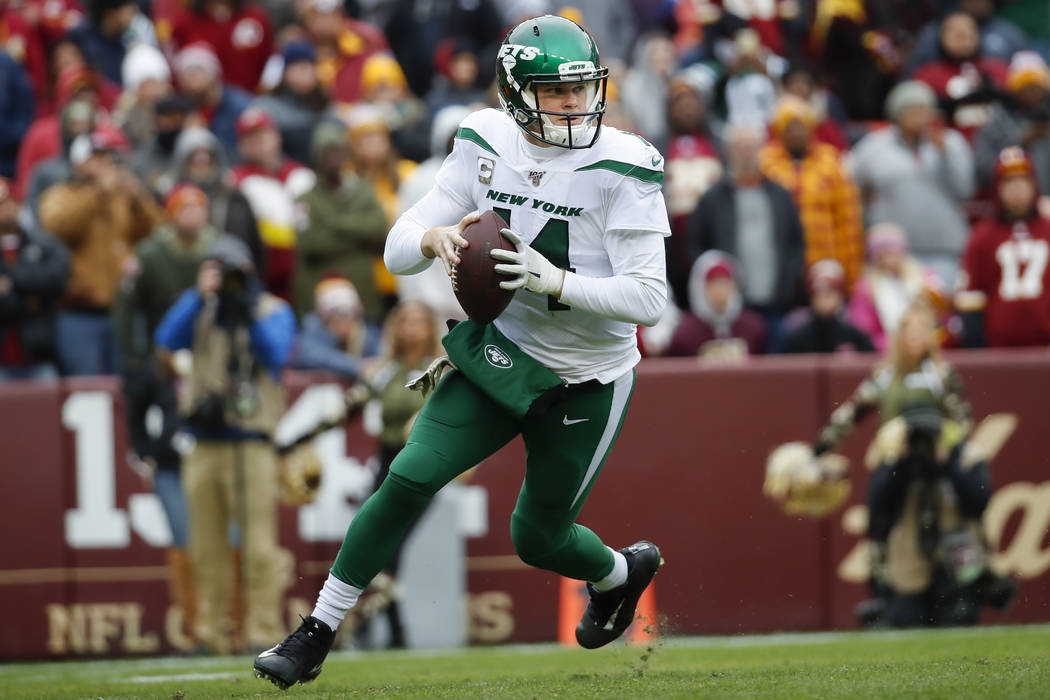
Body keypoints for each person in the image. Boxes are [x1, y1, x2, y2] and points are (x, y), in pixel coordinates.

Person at [254, 15, 666, 688]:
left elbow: (649, 300)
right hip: (503, 350)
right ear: (512, 92)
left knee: (536, 538)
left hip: (588, 375)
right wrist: (435, 238)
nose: (574, 105)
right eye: (553, 92)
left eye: (582, 89)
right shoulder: (484, 138)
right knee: (409, 476)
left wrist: (552, 279)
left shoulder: (625, 163)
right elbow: (398, 242)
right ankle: (317, 632)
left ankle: (621, 573)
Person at [812, 301, 1010, 628]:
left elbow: (962, 418)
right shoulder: (885, 376)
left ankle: (981, 576)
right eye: (910, 329)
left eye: (923, 329)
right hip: (898, 466)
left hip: (940, 467)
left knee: (966, 506)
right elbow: (851, 414)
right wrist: (821, 447)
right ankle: (880, 583)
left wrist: (946, 443)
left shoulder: (942, 374)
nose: (916, 336)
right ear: (899, 335)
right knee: (879, 506)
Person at [155, 234, 296, 655]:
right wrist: (199, 296)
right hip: (203, 441)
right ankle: (210, 632)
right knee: (206, 546)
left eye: (232, 270)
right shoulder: (200, 308)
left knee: (258, 543)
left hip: (251, 442)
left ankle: (262, 629)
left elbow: (276, 355)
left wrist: (246, 310)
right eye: (217, 268)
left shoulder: (272, 310)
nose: (226, 278)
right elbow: (167, 339)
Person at [112, 183, 221, 646]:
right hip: (174, 448)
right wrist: (142, 357)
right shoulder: (152, 255)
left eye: (201, 206)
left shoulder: (217, 247)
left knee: (224, 539)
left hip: (215, 436)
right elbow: (128, 310)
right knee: (186, 538)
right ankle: (202, 628)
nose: (194, 215)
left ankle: (225, 626)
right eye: (186, 207)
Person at [39, 133, 162, 375]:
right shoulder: (61, 195)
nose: (102, 164)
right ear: (77, 164)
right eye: (94, 159)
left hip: (123, 311)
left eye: (105, 158)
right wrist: (98, 194)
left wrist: (138, 199)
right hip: (79, 313)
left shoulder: (123, 198)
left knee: (125, 389)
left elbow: (157, 234)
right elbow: (56, 226)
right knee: (86, 388)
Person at [849, 81, 975, 288]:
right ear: (897, 114)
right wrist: (868, 225)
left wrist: (945, 154)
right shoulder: (872, 148)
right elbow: (852, 191)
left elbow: (966, 190)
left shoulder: (951, 142)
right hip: (891, 254)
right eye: (912, 110)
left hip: (945, 250)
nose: (919, 117)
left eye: (924, 110)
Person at [687, 122, 806, 336]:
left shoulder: (780, 195)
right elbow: (695, 246)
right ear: (729, 151)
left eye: (751, 147)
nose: (747, 153)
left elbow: (797, 243)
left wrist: (789, 282)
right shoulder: (713, 198)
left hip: (777, 303)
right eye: (740, 147)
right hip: (730, 312)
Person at [759, 96, 865, 290]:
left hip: (823, 261)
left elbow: (847, 220)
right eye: (790, 127)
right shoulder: (766, 163)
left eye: (801, 126)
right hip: (780, 259)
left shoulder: (830, 162)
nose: (796, 133)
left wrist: (850, 272)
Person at [292, 120, 387, 323]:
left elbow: (379, 228)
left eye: (338, 151)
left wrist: (334, 223)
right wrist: (359, 240)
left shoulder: (363, 191)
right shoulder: (304, 199)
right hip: (318, 307)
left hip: (363, 300)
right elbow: (310, 243)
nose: (333, 159)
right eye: (327, 153)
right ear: (317, 157)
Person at [956, 146, 1050, 348]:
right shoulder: (981, 237)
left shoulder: (1048, 229)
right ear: (997, 188)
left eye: (1023, 179)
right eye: (1008, 181)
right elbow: (971, 300)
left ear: (1034, 184)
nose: (1017, 187)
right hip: (1000, 348)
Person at [231, 107, 316, 302]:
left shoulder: (302, 175)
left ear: (276, 136)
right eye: (250, 137)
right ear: (241, 145)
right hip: (263, 278)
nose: (258, 142)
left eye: (263, 134)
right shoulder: (236, 181)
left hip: (307, 273)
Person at [158, 126, 265, 272]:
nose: (202, 162)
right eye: (193, 158)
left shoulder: (235, 198)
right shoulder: (166, 198)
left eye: (207, 156)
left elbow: (255, 247)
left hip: (231, 274)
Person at [0, 177, 68, 380]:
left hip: (38, 352)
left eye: (9, 203)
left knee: (43, 409)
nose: (5, 210)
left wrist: (12, 282)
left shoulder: (40, 243)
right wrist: (27, 296)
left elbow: (57, 278)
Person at [910, 12, 1008, 143]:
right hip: (946, 146)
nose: (962, 37)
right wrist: (947, 105)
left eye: (968, 32)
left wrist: (994, 92)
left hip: (996, 145)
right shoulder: (926, 76)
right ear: (941, 37)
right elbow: (914, 116)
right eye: (956, 33)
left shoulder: (998, 70)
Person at [848, 223, 945, 353]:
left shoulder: (924, 277)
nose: (890, 256)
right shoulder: (866, 288)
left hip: (926, 348)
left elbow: (942, 314)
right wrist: (898, 346)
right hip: (887, 353)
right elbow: (863, 329)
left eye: (893, 250)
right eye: (884, 252)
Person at [975, 51, 1050, 198]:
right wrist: (1019, 144)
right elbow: (983, 170)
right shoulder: (995, 122)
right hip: (1009, 206)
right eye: (1026, 87)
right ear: (1014, 89)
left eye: (1037, 87)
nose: (1033, 92)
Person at [666, 251, 767, 359]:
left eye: (725, 282)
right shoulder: (685, 333)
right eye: (713, 283)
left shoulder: (753, 328)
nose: (720, 290)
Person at [250, 40, 334, 166]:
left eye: (310, 68)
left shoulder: (322, 104)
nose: (306, 74)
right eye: (300, 68)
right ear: (285, 72)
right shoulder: (267, 106)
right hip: (278, 173)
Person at [169, 0, 275, 93]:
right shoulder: (184, 22)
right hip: (196, 105)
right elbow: (173, 69)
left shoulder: (255, 18)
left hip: (249, 102)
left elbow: (270, 60)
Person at [172, 41, 252, 163]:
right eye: (187, 74)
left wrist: (202, 136)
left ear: (213, 73)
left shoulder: (238, 107)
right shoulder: (183, 109)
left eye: (197, 71)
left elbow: (241, 154)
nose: (192, 80)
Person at [780, 259, 875, 354]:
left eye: (830, 294)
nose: (824, 300)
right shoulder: (797, 337)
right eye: (818, 295)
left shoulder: (855, 336)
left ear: (841, 296)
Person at [290, 277, 379, 377]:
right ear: (325, 321)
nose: (344, 327)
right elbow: (314, 356)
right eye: (337, 321)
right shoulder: (312, 332)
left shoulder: (366, 334)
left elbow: (382, 355)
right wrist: (357, 366)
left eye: (349, 319)